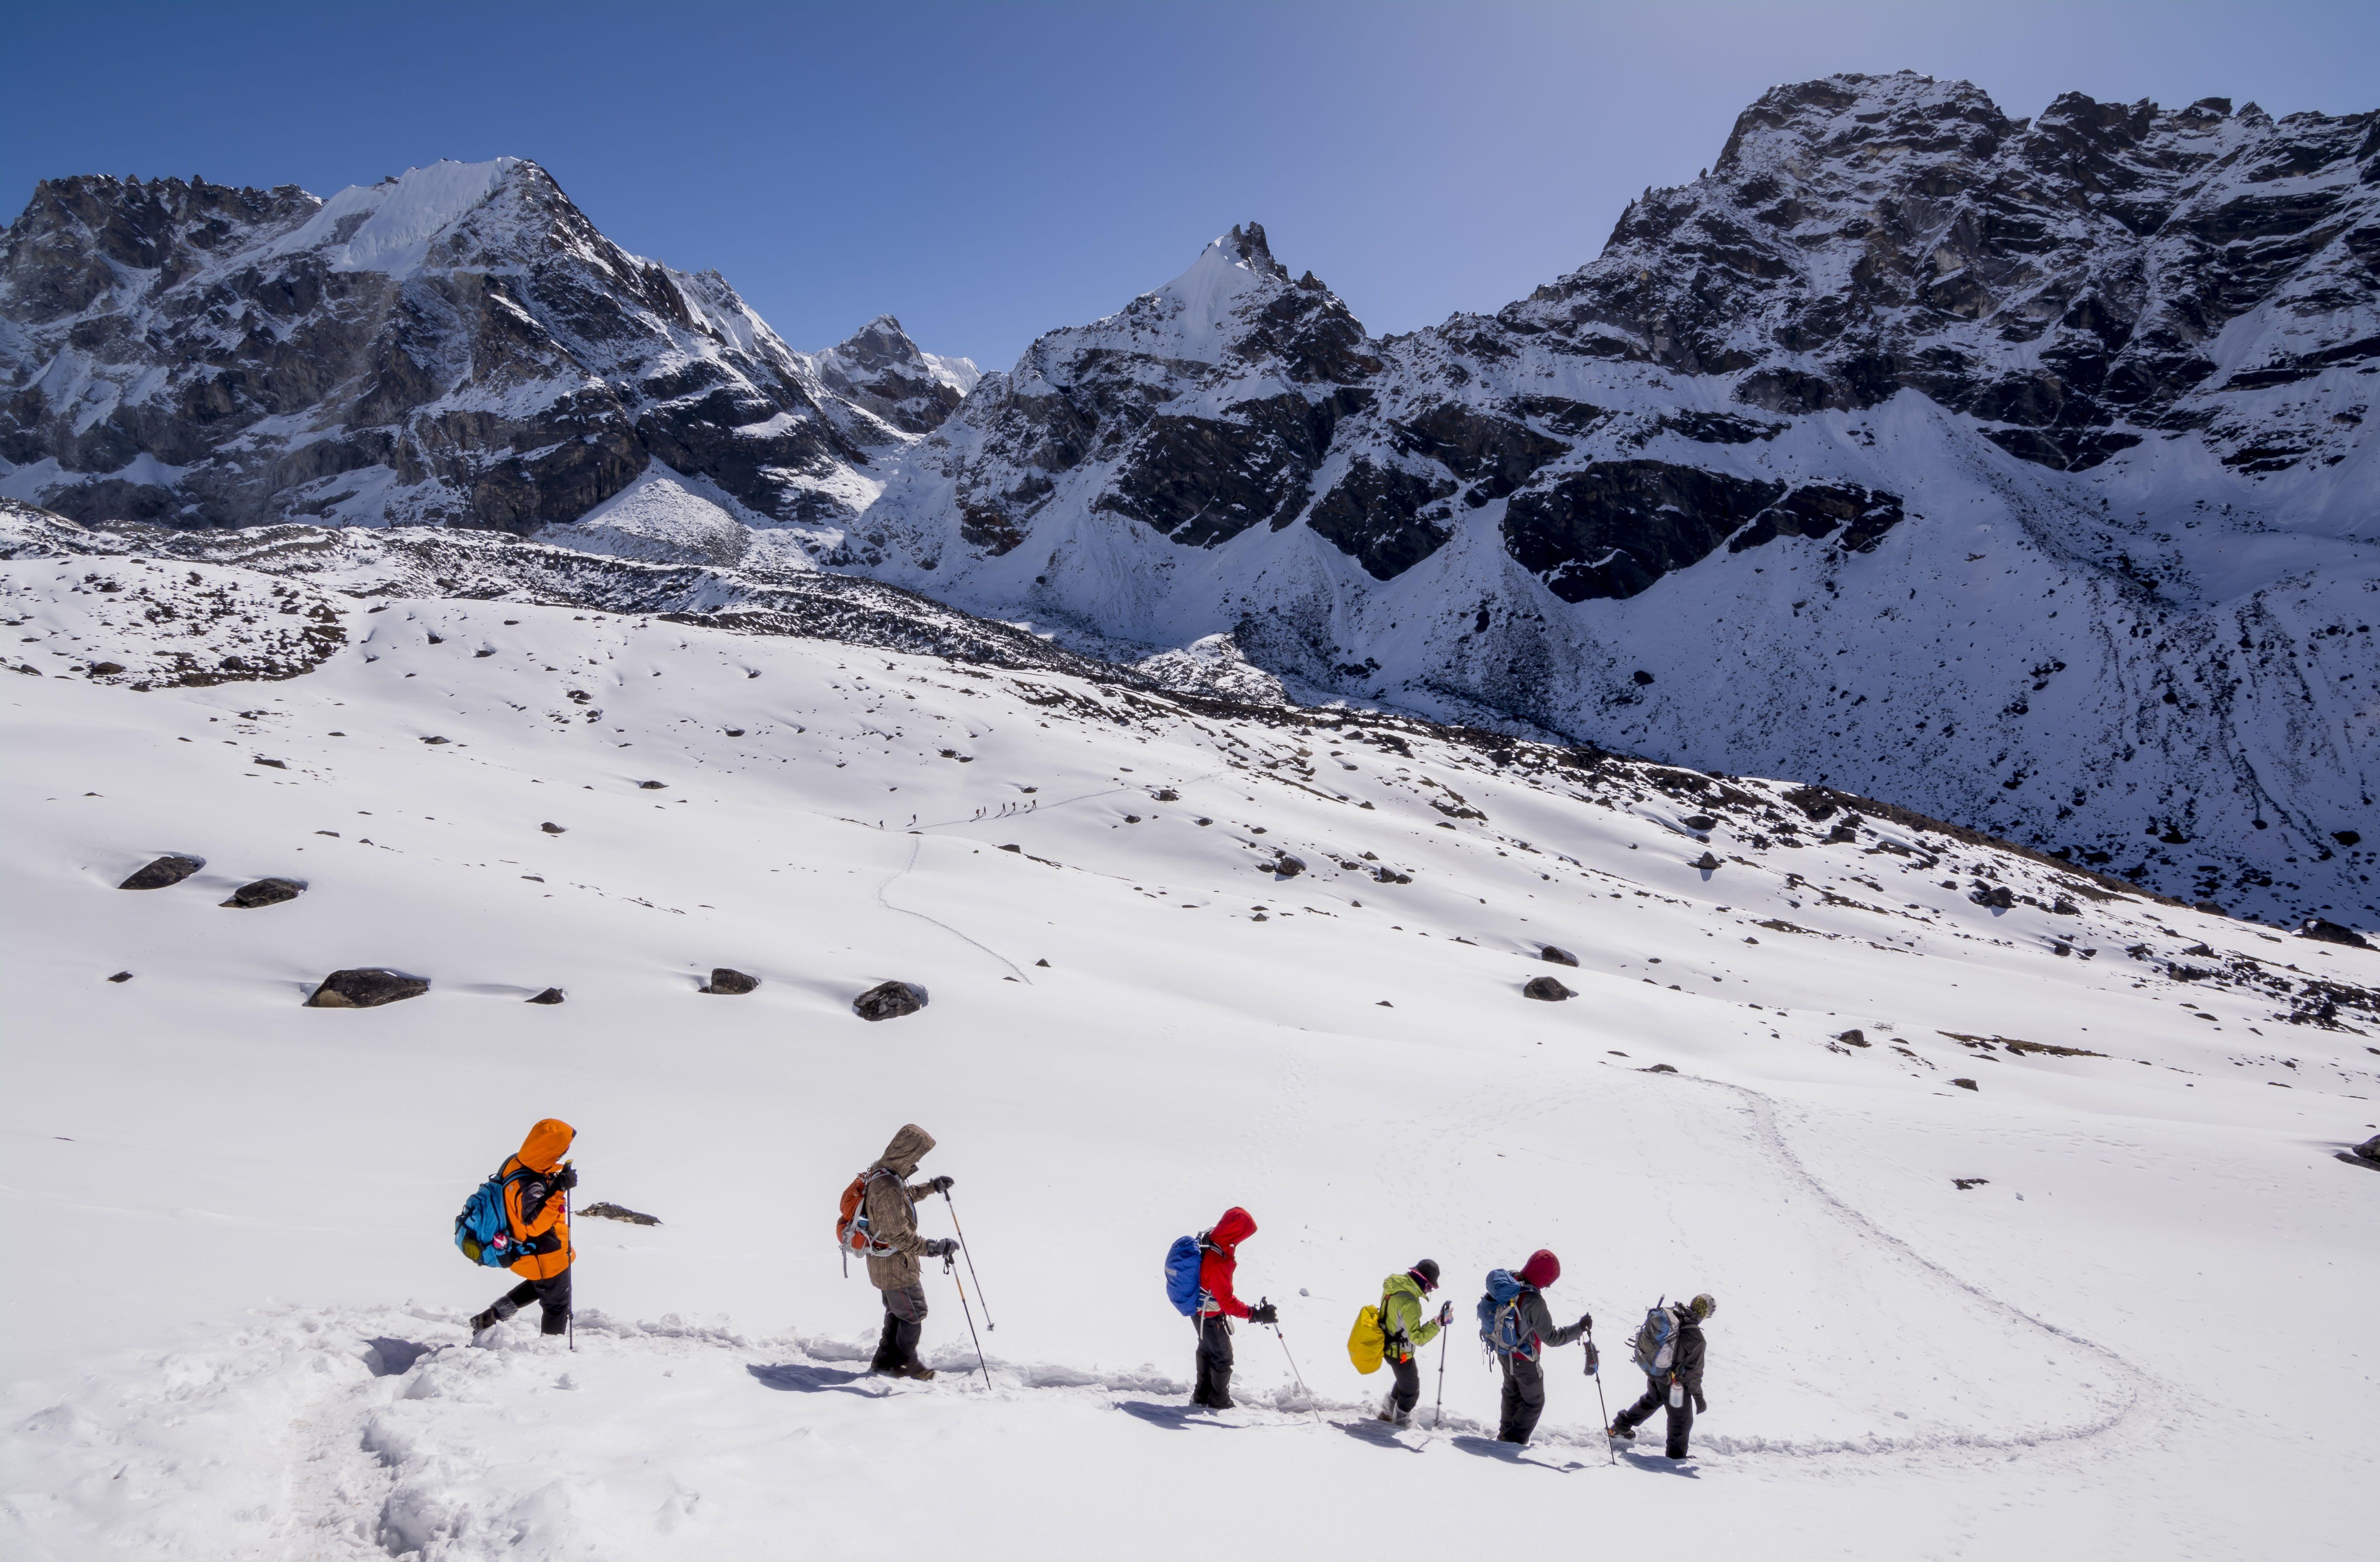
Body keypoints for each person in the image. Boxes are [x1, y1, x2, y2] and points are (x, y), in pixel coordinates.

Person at [858, 1123, 957, 1380]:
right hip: (896, 1265)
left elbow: (906, 1197)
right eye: (916, 1155)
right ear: (906, 1152)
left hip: (885, 1262)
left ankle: (883, 1361)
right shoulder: (888, 1186)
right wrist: (934, 1248)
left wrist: (931, 1187)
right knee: (914, 1312)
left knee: (897, 1312)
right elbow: (898, 1235)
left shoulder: (883, 1173)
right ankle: (905, 1364)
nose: (917, 1161)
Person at [469, 1118, 578, 1339]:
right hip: (545, 1252)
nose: (564, 1152)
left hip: (525, 1249)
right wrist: (559, 1188)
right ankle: (551, 1351)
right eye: (561, 1148)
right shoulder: (532, 1183)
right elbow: (535, 1224)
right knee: (557, 1305)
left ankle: (489, 1318)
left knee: (541, 1286)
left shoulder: (517, 1162)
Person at [1490, 1249, 1591, 1444]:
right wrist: (1580, 1328)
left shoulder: (1511, 1281)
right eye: (1549, 1281)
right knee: (1534, 1401)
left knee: (1512, 1393)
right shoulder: (1534, 1300)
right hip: (1524, 1360)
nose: (1548, 1286)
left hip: (1503, 1351)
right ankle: (1514, 1442)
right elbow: (1552, 1338)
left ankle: (1505, 1436)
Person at [1188, 1206, 1276, 1409]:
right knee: (1223, 1358)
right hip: (1210, 1315)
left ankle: (1202, 1396)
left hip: (1198, 1310)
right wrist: (1255, 1314)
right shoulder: (1218, 1262)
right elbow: (1227, 1302)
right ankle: (1220, 1402)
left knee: (1207, 1350)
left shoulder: (1211, 1238)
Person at [1608, 1293, 1714, 1459]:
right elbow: (1694, 1374)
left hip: (1655, 1369)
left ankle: (1620, 1428)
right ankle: (1676, 1457)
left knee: (1653, 1399)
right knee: (1681, 1420)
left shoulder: (1674, 1314)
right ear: (1707, 1314)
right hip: (1673, 1382)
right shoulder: (1696, 1338)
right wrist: (1699, 1398)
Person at [1375, 1258, 1450, 1427]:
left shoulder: (1394, 1287)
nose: (1429, 1290)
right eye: (1430, 1287)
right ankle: (1401, 1422)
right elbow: (1418, 1338)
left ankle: (1387, 1412)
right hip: (1400, 1353)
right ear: (1423, 1281)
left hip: (1387, 1344)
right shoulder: (1410, 1303)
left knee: (1405, 1381)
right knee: (1411, 1390)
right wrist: (1438, 1323)